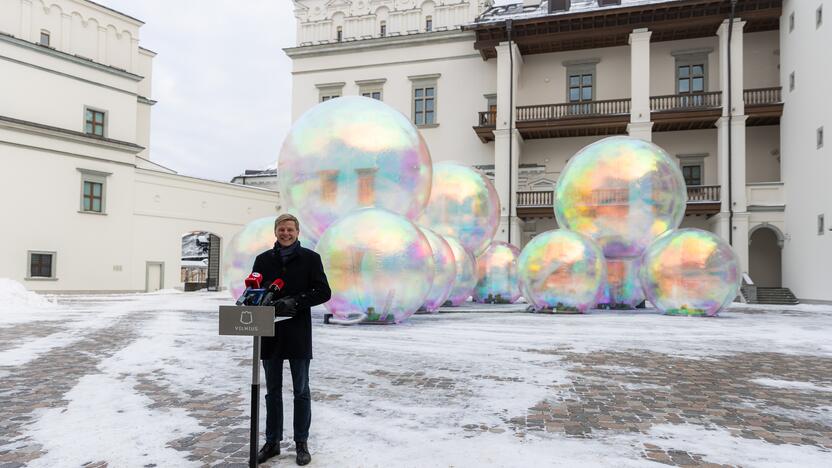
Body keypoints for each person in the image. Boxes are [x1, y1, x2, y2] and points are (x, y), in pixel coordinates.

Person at [252, 213, 331, 465]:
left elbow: (323, 291)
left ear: (298, 232)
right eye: (281, 229)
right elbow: (254, 290)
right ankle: (272, 442)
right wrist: (254, 299)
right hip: (269, 332)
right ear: (275, 232)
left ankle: (301, 443)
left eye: (290, 230)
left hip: (297, 332)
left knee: (301, 391)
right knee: (272, 391)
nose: (285, 233)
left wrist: (296, 301)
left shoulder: (311, 258)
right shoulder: (262, 260)